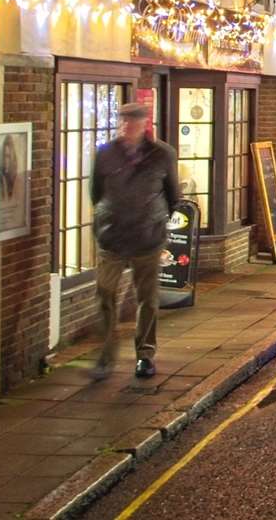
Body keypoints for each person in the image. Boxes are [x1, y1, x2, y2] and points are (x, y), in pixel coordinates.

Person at [89, 102, 180, 381]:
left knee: (147, 299)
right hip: (112, 236)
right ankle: (106, 356)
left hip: (147, 237)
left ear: (145, 124)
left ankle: (145, 355)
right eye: (125, 121)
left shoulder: (162, 154)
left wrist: (156, 220)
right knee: (105, 293)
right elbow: (96, 191)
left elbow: (172, 195)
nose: (129, 126)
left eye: (134, 121)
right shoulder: (105, 153)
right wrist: (107, 217)